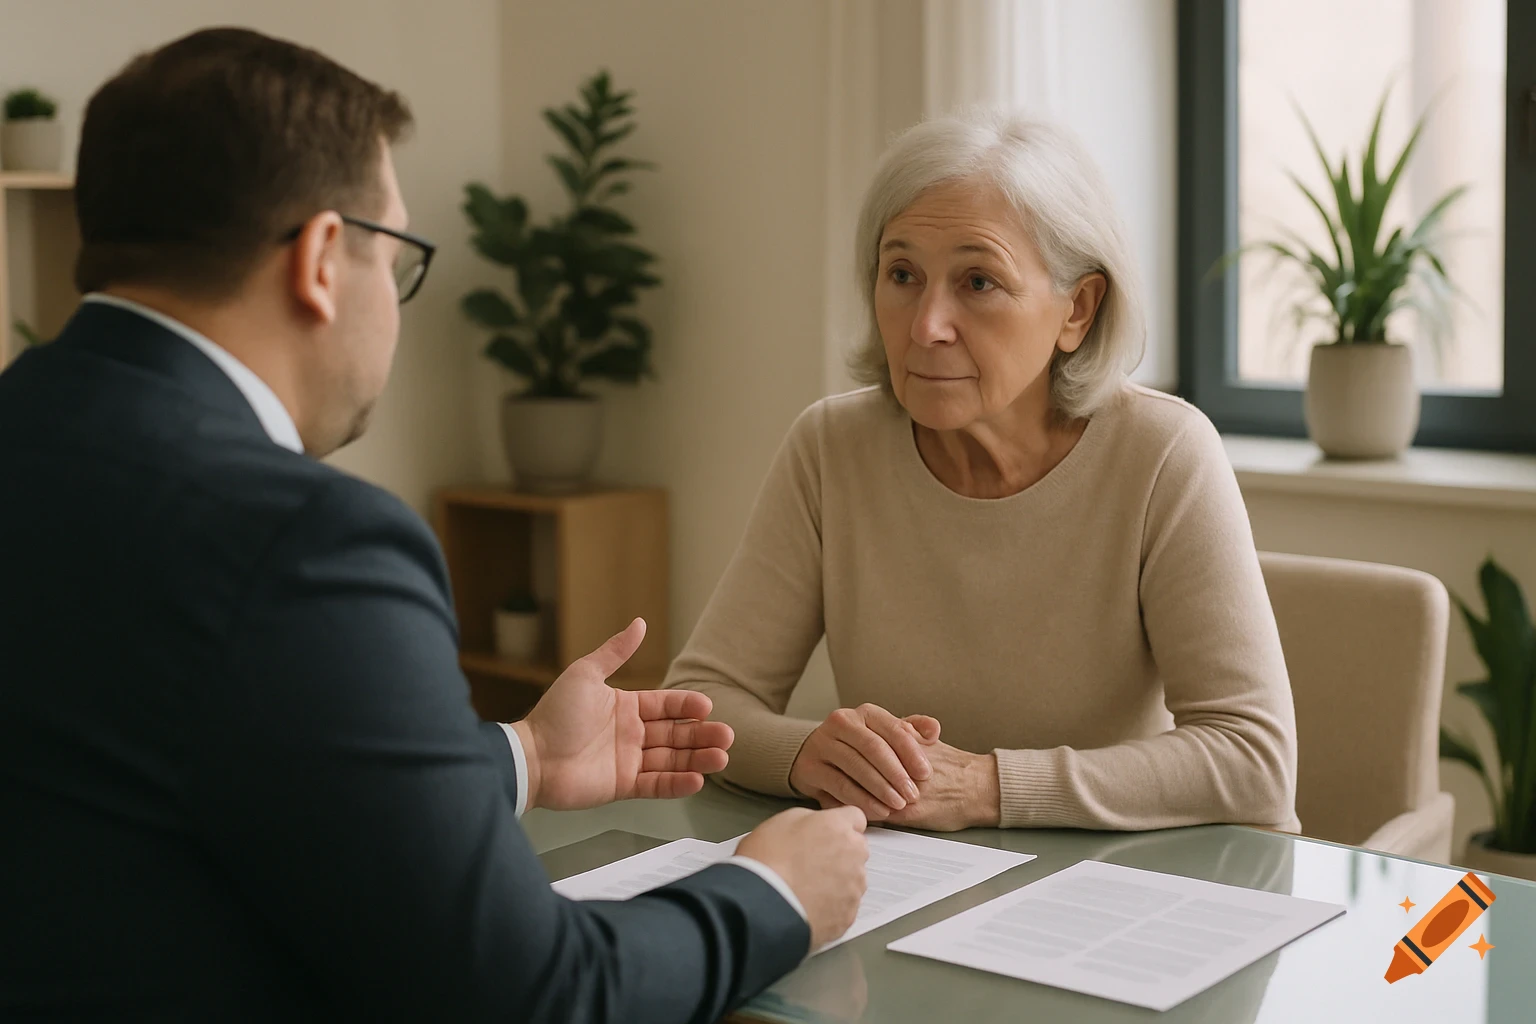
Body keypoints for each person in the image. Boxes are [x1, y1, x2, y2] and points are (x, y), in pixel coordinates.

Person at [0, 27, 869, 1023]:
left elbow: (169, 769)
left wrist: (525, 756)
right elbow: (534, 995)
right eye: (398, 252)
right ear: (324, 258)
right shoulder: (306, 541)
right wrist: (774, 896)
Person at [665, 110, 1300, 835]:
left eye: (978, 281)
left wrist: (990, 787)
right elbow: (702, 700)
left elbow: (1253, 760)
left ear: (1078, 311)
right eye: (901, 274)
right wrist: (805, 752)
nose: (926, 323)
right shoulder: (831, 447)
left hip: (1117, 894)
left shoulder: (1165, 453)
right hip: (904, 888)